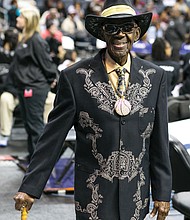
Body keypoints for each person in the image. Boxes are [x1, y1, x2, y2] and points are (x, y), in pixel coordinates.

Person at [13, 1, 172, 220]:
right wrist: (30, 187)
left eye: (127, 28)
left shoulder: (155, 77)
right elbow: (52, 137)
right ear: (102, 33)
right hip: (93, 196)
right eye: (112, 28)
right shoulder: (75, 77)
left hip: (136, 196)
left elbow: (159, 140)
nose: (120, 35)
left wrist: (163, 193)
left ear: (136, 33)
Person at [7, 7, 58, 162]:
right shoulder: (24, 38)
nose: (17, 19)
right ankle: (32, 156)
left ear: (28, 21)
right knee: (29, 126)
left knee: (35, 126)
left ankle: (40, 162)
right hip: (23, 87)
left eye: (20, 17)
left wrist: (52, 79)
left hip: (35, 88)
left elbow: (47, 63)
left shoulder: (36, 40)